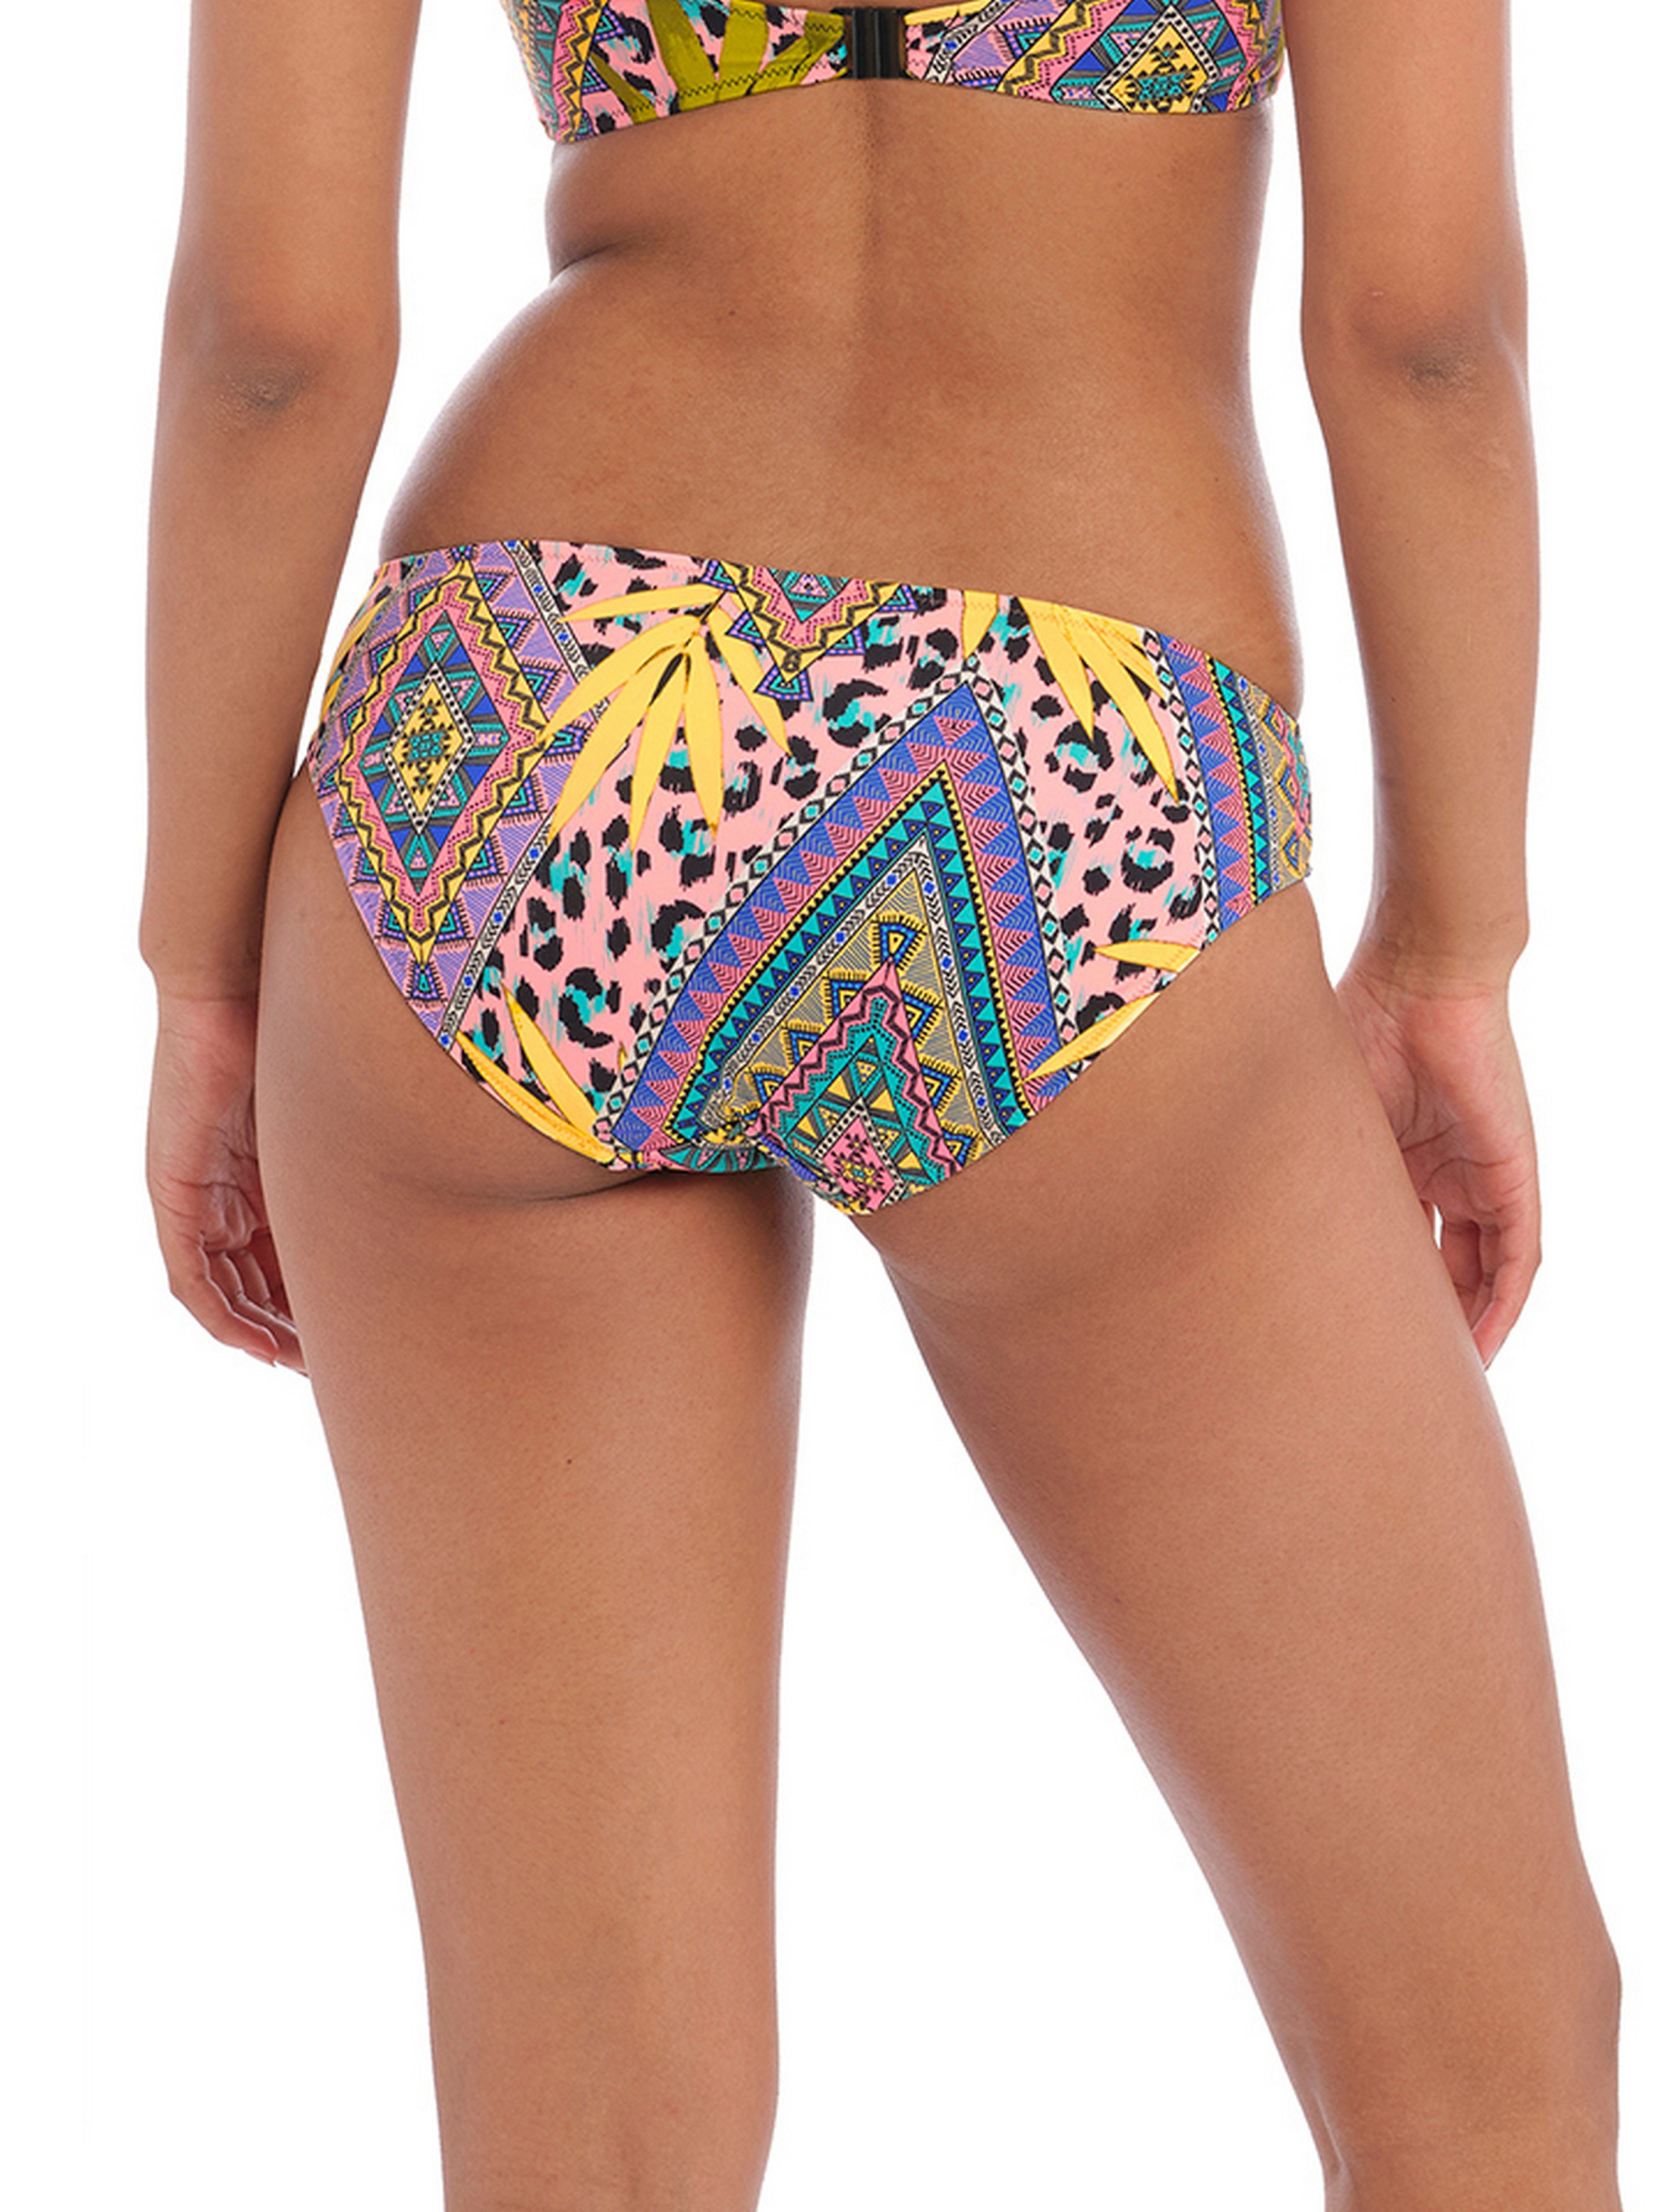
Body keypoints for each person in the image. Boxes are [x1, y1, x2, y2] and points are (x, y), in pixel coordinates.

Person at [139, 0, 1622, 2203]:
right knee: (1483, 2070)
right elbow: (1419, 333)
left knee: (593, 2143)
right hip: (1055, 766)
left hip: (521, 743)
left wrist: (201, 967)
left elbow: (271, 337)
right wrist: (1450, 942)